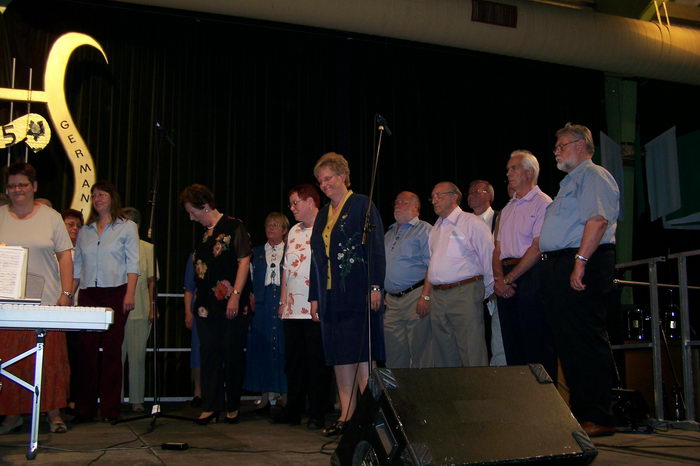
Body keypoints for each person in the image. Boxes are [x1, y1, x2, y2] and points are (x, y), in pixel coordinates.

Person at [539, 123, 620, 437]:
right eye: (556, 147)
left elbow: (597, 220)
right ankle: (583, 411)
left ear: (582, 144)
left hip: (583, 259)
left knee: (585, 338)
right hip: (562, 264)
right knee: (569, 342)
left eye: (561, 145)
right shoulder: (568, 183)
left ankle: (599, 415)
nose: (556, 151)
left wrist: (580, 262)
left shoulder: (593, 175)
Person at [308, 152, 385, 437]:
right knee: (340, 356)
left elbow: (375, 248)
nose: (324, 184)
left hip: (357, 292)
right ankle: (347, 415)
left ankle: (369, 419)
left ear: (342, 176)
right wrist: (315, 295)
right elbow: (316, 258)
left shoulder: (362, 204)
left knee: (363, 355)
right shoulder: (323, 213)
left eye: (328, 178)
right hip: (330, 296)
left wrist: (375, 285)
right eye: (320, 181)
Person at [0, 162, 73, 434]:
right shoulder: (0, 216)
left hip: (46, 303)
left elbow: (65, 255)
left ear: (34, 187)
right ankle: (11, 415)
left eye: (23, 184)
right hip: (6, 305)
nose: (17, 190)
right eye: (12, 185)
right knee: (9, 359)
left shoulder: (52, 217)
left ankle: (53, 413)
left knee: (49, 359)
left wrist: (65, 294)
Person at [179, 184, 252, 425]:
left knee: (231, 354)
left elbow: (243, 261)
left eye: (193, 211)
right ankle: (211, 405)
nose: (190, 217)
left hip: (230, 302)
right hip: (205, 306)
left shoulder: (234, 226)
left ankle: (232, 404)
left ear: (205, 206)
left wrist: (236, 295)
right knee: (208, 354)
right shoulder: (205, 235)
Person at [72, 180, 139, 422]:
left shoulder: (127, 227)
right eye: (94, 195)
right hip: (89, 293)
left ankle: (111, 409)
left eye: (102, 194)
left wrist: (129, 293)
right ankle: (84, 409)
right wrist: (70, 295)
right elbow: (77, 266)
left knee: (112, 353)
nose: (97, 199)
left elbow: (133, 264)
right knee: (86, 353)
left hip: (116, 292)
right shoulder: (85, 231)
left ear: (112, 197)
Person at [273, 184, 333, 429]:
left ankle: (318, 411)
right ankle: (294, 409)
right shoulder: (295, 230)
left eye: (295, 202)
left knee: (316, 361)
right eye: (290, 203)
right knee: (294, 361)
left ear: (310, 202)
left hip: (314, 307)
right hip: (291, 308)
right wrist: (282, 300)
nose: (292, 208)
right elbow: (286, 267)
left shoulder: (326, 226)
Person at [492, 150, 556, 379]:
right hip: (506, 277)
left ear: (529, 172)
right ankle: (521, 405)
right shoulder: (507, 209)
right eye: (508, 169)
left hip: (532, 275)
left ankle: (545, 407)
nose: (508, 173)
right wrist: (499, 280)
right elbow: (497, 250)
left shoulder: (543, 203)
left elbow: (538, 247)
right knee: (512, 345)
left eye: (513, 168)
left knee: (536, 343)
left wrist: (508, 279)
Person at [426, 181, 494, 368]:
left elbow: (488, 258)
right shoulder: (435, 229)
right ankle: (452, 397)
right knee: (444, 355)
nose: (434, 200)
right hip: (438, 296)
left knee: (472, 352)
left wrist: (484, 292)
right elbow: (433, 264)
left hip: (465, 293)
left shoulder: (471, 222)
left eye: (439, 195)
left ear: (455, 197)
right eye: (432, 197)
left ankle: (478, 397)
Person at [244, 212, 289, 411]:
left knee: (282, 348)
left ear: (284, 230)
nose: (271, 228)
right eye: (268, 225)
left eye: (276, 225)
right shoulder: (256, 253)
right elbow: (248, 279)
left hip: (281, 302)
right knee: (261, 349)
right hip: (262, 306)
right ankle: (264, 394)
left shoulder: (290, 251)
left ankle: (284, 393)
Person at [383, 191, 433, 369]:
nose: (397, 205)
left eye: (403, 202)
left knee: (420, 352)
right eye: (396, 202)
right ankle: (398, 396)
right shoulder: (388, 233)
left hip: (415, 296)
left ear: (416, 208)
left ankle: (422, 394)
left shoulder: (424, 229)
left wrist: (425, 296)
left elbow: (432, 266)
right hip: (391, 301)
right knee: (394, 353)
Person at [120, 207, 157, 413]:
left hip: (140, 309)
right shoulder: (115, 246)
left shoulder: (147, 248)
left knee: (137, 357)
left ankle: (136, 400)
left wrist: (153, 308)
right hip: (116, 311)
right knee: (115, 358)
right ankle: (114, 398)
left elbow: (152, 282)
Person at [467, 180, 506, 366]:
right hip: (469, 293)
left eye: (478, 191)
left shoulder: (501, 218)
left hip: (494, 292)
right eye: (470, 191)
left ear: (489, 196)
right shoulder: (463, 222)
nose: (472, 194)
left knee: (496, 341)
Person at [61, 208, 84, 416]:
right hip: (58, 311)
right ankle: (58, 399)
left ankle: (74, 399)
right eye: (70, 224)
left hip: (78, 312)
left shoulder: (84, 251)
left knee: (77, 358)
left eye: (78, 225)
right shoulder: (55, 251)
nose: (75, 229)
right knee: (59, 358)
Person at [183, 252, 202, 407]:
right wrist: (188, 312)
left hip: (220, 309)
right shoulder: (195, 256)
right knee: (197, 351)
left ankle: (218, 390)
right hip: (199, 311)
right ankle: (198, 392)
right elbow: (188, 288)